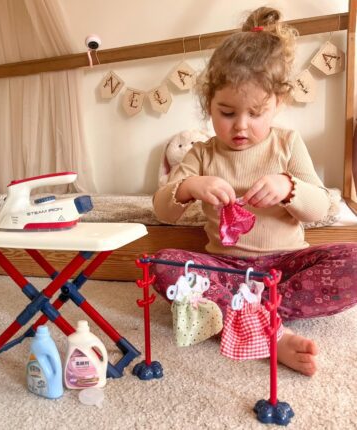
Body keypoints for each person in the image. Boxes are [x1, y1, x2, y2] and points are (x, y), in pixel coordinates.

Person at [152, 6, 357, 377]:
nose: (241, 126)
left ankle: (252, 316)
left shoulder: (287, 143)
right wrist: (189, 187)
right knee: (163, 265)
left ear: (278, 103)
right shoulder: (202, 153)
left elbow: (321, 208)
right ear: (208, 104)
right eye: (227, 112)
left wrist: (289, 187)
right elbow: (162, 210)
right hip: (227, 269)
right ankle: (271, 331)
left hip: (286, 267)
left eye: (256, 113)